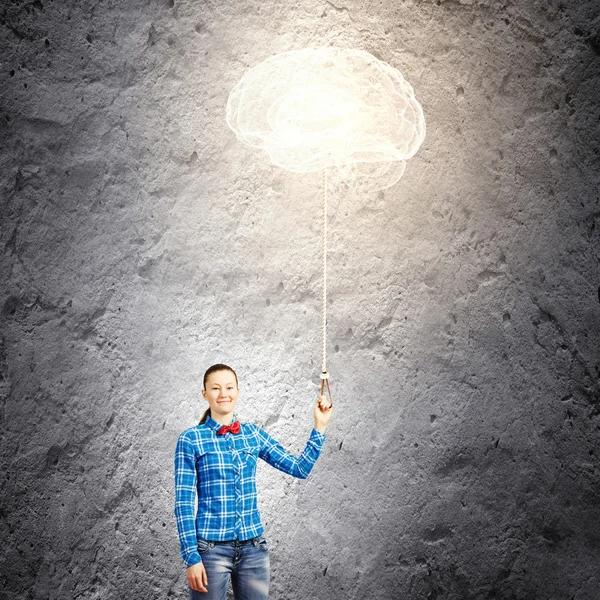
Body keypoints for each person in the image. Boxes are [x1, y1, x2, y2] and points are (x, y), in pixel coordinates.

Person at [174, 363, 333, 599]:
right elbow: (183, 505)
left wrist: (320, 425)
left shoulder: (253, 434)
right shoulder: (190, 439)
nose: (223, 393)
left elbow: (300, 468)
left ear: (238, 391)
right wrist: (191, 557)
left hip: (254, 549)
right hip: (210, 550)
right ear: (205, 394)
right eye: (215, 388)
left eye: (229, 387)